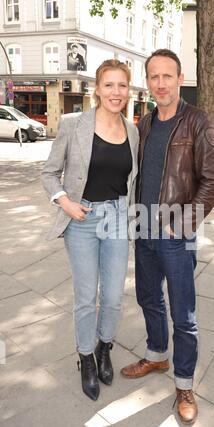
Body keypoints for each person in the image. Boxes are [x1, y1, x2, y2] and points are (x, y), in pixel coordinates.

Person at [121, 49, 214, 425]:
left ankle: (184, 384)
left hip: (175, 234)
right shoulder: (145, 123)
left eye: (168, 76)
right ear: (147, 81)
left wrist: (182, 224)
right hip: (144, 228)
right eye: (154, 76)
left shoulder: (199, 122)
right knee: (148, 297)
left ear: (180, 79)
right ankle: (156, 355)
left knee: (184, 313)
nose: (160, 83)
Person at [42, 60, 139, 401]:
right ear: (96, 89)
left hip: (116, 219)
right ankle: (85, 357)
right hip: (81, 220)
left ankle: (104, 347)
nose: (116, 92)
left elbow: (131, 180)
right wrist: (64, 202)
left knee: (112, 297)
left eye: (122, 86)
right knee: (86, 297)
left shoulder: (133, 130)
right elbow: (49, 173)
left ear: (129, 90)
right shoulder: (73, 124)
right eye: (109, 85)